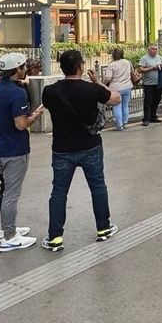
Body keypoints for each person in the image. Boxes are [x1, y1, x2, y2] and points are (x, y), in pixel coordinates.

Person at [40, 49, 120, 253]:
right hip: (90, 146)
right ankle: (103, 228)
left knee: (59, 192)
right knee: (98, 187)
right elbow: (116, 99)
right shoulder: (91, 90)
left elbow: (48, 107)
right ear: (81, 67)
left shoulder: (50, 91)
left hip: (61, 149)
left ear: (61, 67)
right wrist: (98, 83)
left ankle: (55, 237)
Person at [0, 53, 44, 253]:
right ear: (17, 69)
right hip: (14, 150)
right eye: (24, 66)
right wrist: (36, 114)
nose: (26, 69)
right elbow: (21, 124)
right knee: (11, 194)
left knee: (5, 189)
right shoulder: (17, 93)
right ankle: (9, 236)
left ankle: (6, 228)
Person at [101, 48, 134, 130]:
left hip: (116, 88)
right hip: (127, 86)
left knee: (116, 107)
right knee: (125, 106)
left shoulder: (112, 65)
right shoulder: (127, 62)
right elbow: (131, 72)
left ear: (113, 55)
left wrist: (102, 84)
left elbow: (108, 78)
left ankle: (119, 125)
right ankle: (125, 123)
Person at [138, 44, 162, 125]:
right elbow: (140, 69)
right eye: (153, 49)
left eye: (156, 49)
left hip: (158, 83)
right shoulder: (144, 58)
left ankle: (153, 116)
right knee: (148, 101)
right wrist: (152, 68)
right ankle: (146, 118)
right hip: (148, 83)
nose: (155, 51)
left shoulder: (160, 58)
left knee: (157, 99)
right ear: (148, 50)